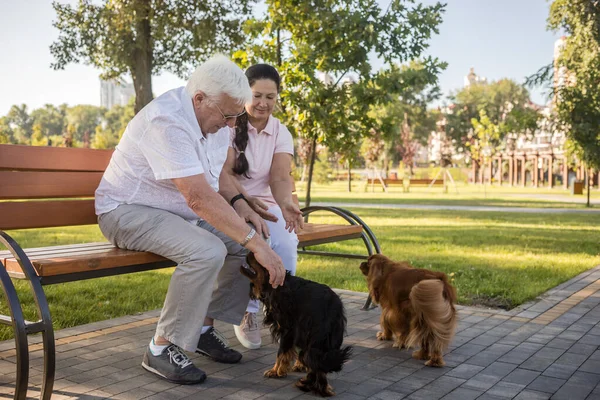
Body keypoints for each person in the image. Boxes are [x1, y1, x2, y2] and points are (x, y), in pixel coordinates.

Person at [94, 55, 286, 385]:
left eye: (234, 117)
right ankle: (160, 349)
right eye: (227, 116)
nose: (230, 126)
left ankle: (202, 329)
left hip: (175, 214)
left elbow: (218, 178)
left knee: (248, 245)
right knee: (208, 250)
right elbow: (198, 197)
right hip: (125, 212)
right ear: (199, 99)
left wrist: (241, 204)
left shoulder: (212, 119)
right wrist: (252, 239)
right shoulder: (166, 121)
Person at [223, 64, 304, 350]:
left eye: (271, 97)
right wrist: (245, 201)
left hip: (266, 203)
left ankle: (280, 308)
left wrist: (285, 204)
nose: (263, 103)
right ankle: (249, 311)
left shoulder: (281, 132)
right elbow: (225, 176)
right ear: (245, 93)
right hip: (232, 200)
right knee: (255, 238)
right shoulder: (229, 125)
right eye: (257, 95)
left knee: (284, 240)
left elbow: (280, 177)